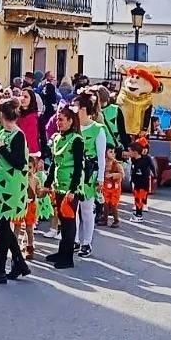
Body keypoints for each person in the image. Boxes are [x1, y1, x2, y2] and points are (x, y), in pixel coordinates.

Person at [0, 98, 30, 285]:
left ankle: (0, 268)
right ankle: (19, 263)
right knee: (2, 227)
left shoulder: (17, 135)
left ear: (1, 115)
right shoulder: (2, 132)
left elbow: (19, 162)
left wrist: (2, 149)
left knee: (2, 227)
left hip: (10, 188)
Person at [44, 106, 84, 269]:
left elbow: (78, 166)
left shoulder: (76, 140)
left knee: (68, 222)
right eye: (57, 119)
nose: (58, 122)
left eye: (61, 120)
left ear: (70, 121)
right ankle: (61, 252)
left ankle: (67, 257)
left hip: (70, 186)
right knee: (61, 219)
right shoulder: (57, 138)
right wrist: (47, 183)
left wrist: (73, 189)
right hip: (59, 184)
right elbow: (55, 162)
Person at [74, 92, 106, 258]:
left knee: (86, 209)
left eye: (76, 107)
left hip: (89, 174)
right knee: (73, 208)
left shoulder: (98, 130)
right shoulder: (74, 127)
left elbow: (101, 156)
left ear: (84, 109)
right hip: (73, 172)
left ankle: (87, 242)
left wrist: (100, 178)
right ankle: (75, 239)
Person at [128, 141, 157, 220]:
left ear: (135, 152)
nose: (128, 153)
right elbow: (133, 170)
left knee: (140, 199)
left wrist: (154, 177)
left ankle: (139, 215)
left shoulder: (146, 159)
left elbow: (152, 167)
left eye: (130, 151)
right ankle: (137, 213)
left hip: (143, 183)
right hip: (136, 182)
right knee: (136, 198)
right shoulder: (133, 159)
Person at [100, 147, 124, 227]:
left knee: (114, 204)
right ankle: (104, 219)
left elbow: (122, 174)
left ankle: (116, 220)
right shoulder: (103, 163)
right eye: (110, 152)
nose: (113, 154)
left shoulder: (116, 163)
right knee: (105, 203)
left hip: (115, 188)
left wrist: (112, 175)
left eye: (114, 152)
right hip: (106, 187)